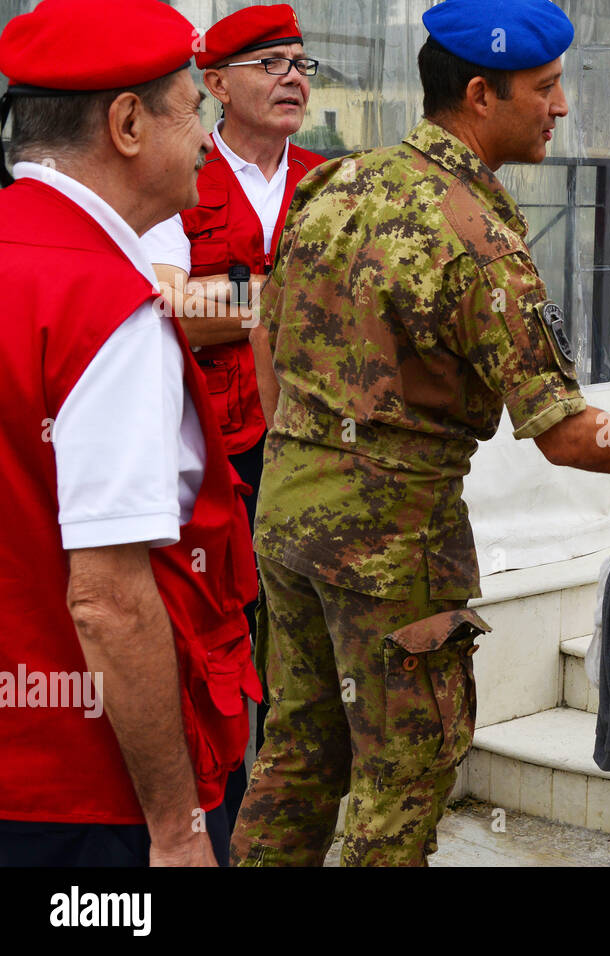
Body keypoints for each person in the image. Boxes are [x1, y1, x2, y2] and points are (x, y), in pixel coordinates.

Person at [229, 0, 610, 867]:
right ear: (479, 94)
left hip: (287, 513)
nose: (562, 106)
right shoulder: (479, 233)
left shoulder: (335, 183)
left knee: (296, 752)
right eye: (545, 88)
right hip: (393, 544)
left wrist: (309, 446)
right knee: (404, 778)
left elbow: (263, 339)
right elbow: (566, 435)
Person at [0, 0, 259, 867]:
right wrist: (178, 829)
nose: (205, 137)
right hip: (84, 795)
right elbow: (107, 599)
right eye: (195, 107)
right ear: (127, 123)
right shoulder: (104, 306)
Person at [139, 1, 325, 831]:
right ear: (215, 82)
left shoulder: (330, 180)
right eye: (271, 63)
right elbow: (166, 307)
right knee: (217, 638)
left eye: (302, 64)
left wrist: (235, 305)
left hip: (319, 452)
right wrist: (288, 303)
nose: (293, 77)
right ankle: (215, 815)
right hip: (212, 455)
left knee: (307, 645)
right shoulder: (176, 172)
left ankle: (289, 822)